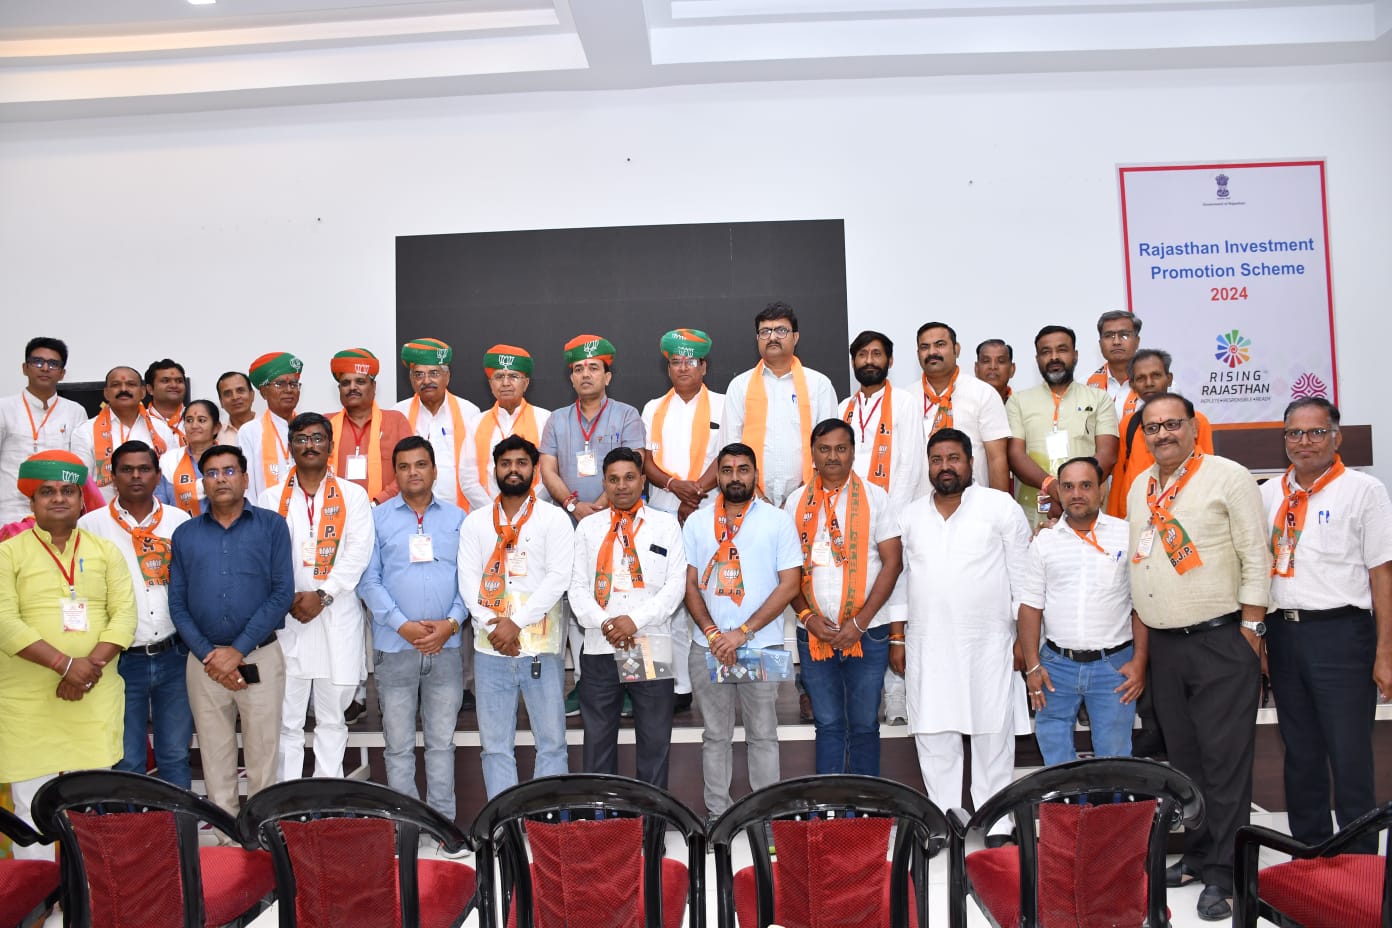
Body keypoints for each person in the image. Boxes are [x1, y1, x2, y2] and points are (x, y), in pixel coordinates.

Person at [1127, 392, 1268, 921]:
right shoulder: (1141, 487)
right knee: (1185, 762)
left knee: (1224, 763)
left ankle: (1227, 875)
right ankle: (1200, 855)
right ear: (1144, 436)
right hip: (1165, 646)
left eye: (1172, 424)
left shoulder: (1228, 476)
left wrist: (1251, 629)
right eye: (1152, 427)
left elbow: (1256, 554)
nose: (1163, 434)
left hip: (1221, 641)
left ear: (1192, 427)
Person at [1262, 397, 1392, 852]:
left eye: (1316, 432)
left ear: (1336, 437)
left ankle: (1359, 860)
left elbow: (1382, 574)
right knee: (1300, 751)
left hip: (1342, 635)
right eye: (1294, 433)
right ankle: (1310, 850)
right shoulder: (1267, 493)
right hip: (1283, 633)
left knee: (1349, 751)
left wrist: (1385, 652)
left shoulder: (1363, 490)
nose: (1305, 441)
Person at [0, 451, 136, 858]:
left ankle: (85, 892)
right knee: (30, 807)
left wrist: (85, 671)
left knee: (87, 807)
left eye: (68, 491)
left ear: (81, 501)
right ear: (31, 502)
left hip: (93, 696)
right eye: (47, 491)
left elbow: (124, 616)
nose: (58, 498)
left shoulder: (105, 551)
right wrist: (65, 666)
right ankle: (38, 892)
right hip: (28, 702)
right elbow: (5, 621)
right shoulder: (7, 553)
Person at [901, 428, 1030, 842]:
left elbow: (1024, 579)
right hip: (929, 643)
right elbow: (901, 582)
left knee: (992, 730)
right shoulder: (911, 516)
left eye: (954, 458)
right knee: (934, 731)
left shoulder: (1000, 507)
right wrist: (898, 638)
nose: (945, 467)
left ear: (971, 463)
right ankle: (943, 820)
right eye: (937, 460)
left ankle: (997, 821)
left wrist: (1024, 640)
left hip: (989, 643)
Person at [170, 444, 294, 819]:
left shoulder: (271, 526)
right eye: (211, 473)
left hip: (259, 656)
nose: (220, 479)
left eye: (228, 471)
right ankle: (225, 836)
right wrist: (211, 655)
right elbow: (178, 604)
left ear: (244, 477)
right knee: (214, 753)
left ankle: (260, 833)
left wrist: (236, 651)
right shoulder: (185, 533)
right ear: (202, 482)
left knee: (263, 754)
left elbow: (281, 593)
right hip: (203, 662)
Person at [683, 443, 801, 819]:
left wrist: (743, 632)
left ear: (755, 475)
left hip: (760, 645)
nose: (735, 477)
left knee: (763, 734)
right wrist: (714, 634)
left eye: (743, 469)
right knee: (715, 736)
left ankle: (763, 817)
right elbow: (689, 584)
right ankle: (718, 817)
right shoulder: (697, 522)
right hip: (708, 645)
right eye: (727, 470)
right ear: (717, 476)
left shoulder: (777, 520)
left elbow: (790, 584)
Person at [358, 436, 468, 831]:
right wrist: (400, 624)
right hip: (395, 646)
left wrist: (451, 623)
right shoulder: (377, 519)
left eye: (421, 465)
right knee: (398, 747)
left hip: (446, 646)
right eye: (403, 467)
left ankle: (443, 827)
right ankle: (404, 829)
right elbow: (368, 581)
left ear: (434, 470)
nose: (413, 473)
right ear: (395, 474)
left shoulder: (458, 519)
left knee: (441, 744)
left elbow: (470, 581)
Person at [458, 435, 574, 799]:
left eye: (521, 463)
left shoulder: (554, 519)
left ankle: (546, 823)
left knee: (552, 743)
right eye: (505, 463)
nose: (513, 470)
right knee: (495, 747)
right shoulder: (476, 522)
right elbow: (467, 582)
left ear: (534, 470)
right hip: (490, 648)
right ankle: (503, 825)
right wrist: (494, 627)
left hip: (541, 648)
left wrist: (516, 624)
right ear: (494, 470)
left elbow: (558, 578)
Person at [260, 412, 374, 780]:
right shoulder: (270, 498)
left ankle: (328, 793)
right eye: (301, 439)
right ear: (290, 447)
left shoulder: (353, 495)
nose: (310, 445)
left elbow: (358, 552)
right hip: (288, 618)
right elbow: (263, 556)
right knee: (287, 720)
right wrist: (289, 598)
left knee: (332, 718)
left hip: (335, 616)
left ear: (330, 446)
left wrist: (323, 595)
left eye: (317, 438)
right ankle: (287, 797)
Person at [785, 419, 903, 775]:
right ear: (813, 454)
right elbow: (786, 572)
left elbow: (893, 563)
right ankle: (831, 804)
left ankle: (865, 805)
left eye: (840, 448)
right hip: (813, 633)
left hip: (868, 633)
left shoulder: (876, 498)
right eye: (824, 449)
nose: (832, 457)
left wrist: (859, 623)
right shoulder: (795, 502)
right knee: (828, 724)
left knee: (864, 724)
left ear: (853, 452)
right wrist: (808, 618)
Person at [539, 334, 646, 715]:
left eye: (593, 368)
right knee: (578, 600)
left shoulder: (627, 415)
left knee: (626, 595)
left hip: (621, 520)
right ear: (571, 378)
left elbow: (634, 464)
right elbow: (547, 469)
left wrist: (600, 507)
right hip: (570, 523)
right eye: (578, 369)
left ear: (608, 376)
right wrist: (573, 505)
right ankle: (586, 681)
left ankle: (632, 684)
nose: (585, 374)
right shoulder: (557, 419)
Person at [1016, 456, 1144, 766]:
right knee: (1056, 761)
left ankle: (1112, 802)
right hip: (1055, 667)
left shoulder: (1127, 535)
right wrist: (1032, 666)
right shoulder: (1044, 541)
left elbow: (1142, 605)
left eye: (1086, 485)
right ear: (1058, 491)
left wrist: (1140, 662)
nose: (1076, 494)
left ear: (1102, 489)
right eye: (1068, 486)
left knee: (1115, 761)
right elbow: (1030, 606)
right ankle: (1064, 802)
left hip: (1115, 668)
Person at [569, 447, 686, 786]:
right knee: (598, 745)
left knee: (654, 743)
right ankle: (604, 819)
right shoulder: (588, 528)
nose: (622, 486)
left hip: (648, 644)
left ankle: (651, 820)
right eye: (614, 479)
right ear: (604, 483)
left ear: (643, 480)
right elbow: (576, 587)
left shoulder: (665, 525)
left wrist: (632, 621)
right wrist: (606, 623)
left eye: (630, 477)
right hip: (600, 645)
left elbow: (675, 586)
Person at [79, 440, 193, 787]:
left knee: (175, 753)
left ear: (158, 475)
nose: (136, 476)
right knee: (127, 758)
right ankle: (131, 824)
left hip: (174, 655)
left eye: (144, 469)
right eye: (126, 470)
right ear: (113, 477)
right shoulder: (91, 525)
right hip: (120, 659)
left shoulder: (179, 521)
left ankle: (178, 823)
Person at [641, 328, 724, 713]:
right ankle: (672, 685)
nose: (683, 368)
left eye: (691, 361)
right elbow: (645, 460)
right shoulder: (652, 408)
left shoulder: (724, 405)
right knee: (665, 599)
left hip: (710, 514)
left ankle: (718, 680)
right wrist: (676, 487)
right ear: (668, 368)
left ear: (704, 367)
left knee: (713, 596)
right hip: (662, 514)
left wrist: (696, 493)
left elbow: (729, 456)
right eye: (676, 362)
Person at [721, 302, 838, 508]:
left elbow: (829, 448)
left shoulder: (819, 385)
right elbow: (730, 448)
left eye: (781, 330)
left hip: (809, 501)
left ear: (796, 337)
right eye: (765, 331)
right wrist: (759, 499)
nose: (772, 337)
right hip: (750, 502)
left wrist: (796, 500)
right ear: (757, 338)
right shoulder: (740, 386)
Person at [1006, 325, 1119, 529]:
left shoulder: (1099, 398)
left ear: (1075, 355)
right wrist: (1051, 485)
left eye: (1062, 350)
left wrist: (1074, 490)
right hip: (1034, 507)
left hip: (1087, 508)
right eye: (1046, 352)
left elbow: (1108, 454)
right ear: (1037, 359)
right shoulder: (1018, 401)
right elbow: (1015, 455)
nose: (1054, 357)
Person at [1105, 348, 1215, 518]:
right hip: (1138, 514)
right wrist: (1116, 522)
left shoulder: (1195, 420)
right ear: (1133, 385)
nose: (1149, 383)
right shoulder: (1129, 424)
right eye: (1141, 378)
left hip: (1183, 514)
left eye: (1156, 375)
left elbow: (1207, 472)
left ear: (1169, 379)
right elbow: (1120, 478)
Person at [915, 322, 1010, 493]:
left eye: (940, 344)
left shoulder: (983, 394)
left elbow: (997, 459)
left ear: (956, 349)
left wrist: (1000, 506)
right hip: (920, 503)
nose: (932, 352)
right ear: (918, 354)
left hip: (973, 503)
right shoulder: (907, 398)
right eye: (925, 347)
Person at [0, 338, 88, 524]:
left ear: (62, 373)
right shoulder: (4, 408)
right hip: (10, 512)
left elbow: (80, 466)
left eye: (53, 364)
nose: (45, 368)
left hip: (59, 511)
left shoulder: (75, 411)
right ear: (25, 368)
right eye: (38, 362)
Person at [395, 337, 483, 511]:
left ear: (447, 376)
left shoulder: (469, 413)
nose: (426, 380)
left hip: (459, 512)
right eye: (419, 374)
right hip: (411, 511)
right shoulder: (399, 414)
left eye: (434, 373)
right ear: (411, 379)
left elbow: (475, 469)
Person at [840, 330, 923, 513]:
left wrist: (890, 515)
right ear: (853, 362)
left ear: (890, 361)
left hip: (891, 511)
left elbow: (910, 466)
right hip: (848, 509)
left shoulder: (904, 402)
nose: (869, 361)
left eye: (876, 354)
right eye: (862, 354)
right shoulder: (843, 408)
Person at [72, 366, 176, 501]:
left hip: (155, 510)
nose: (123, 389)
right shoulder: (85, 431)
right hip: (103, 510)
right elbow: (80, 481)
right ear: (106, 393)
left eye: (131, 384)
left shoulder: (161, 429)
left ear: (143, 392)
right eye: (116, 385)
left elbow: (171, 477)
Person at [327, 349, 413, 505]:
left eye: (360, 382)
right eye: (346, 383)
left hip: (386, 510)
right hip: (335, 512)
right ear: (339, 389)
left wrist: (378, 503)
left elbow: (408, 470)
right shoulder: (325, 424)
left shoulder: (396, 421)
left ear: (373, 386)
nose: (352, 387)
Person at [468, 345, 551, 501]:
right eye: (499, 377)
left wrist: (527, 507)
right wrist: (494, 509)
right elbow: (468, 478)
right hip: (486, 510)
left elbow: (549, 475)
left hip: (536, 510)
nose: (505, 383)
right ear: (490, 383)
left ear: (526, 383)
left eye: (513, 376)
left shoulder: (546, 420)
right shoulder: (475, 423)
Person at [238, 352, 303, 500]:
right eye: (280, 384)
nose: (289, 390)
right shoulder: (250, 431)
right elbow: (247, 487)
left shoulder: (308, 428)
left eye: (293, 384)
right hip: (265, 511)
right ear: (263, 392)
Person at [160, 400, 221, 517]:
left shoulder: (229, 459)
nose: (194, 426)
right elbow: (161, 504)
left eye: (201, 420)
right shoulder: (169, 460)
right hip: (179, 526)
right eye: (189, 420)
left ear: (216, 428)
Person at [1088, 311, 1142, 421]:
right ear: (1100, 344)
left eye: (1124, 335)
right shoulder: (1085, 386)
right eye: (1109, 336)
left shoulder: (1161, 385)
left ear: (1137, 341)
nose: (1116, 342)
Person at [145, 359, 189, 445]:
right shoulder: (141, 421)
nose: (174, 385)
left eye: (179, 381)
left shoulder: (197, 420)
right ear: (150, 389)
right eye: (165, 381)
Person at [215, 371, 256, 445]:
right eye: (228, 394)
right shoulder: (215, 435)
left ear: (252, 395)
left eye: (240, 390)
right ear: (221, 402)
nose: (235, 397)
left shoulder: (270, 426)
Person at [974, 339, 1016, 405]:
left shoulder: (1021, 405)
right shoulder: (962, 404)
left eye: (1001, 361)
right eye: (986, 361)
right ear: (976, 369)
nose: (993, 367)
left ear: (1012, 369)